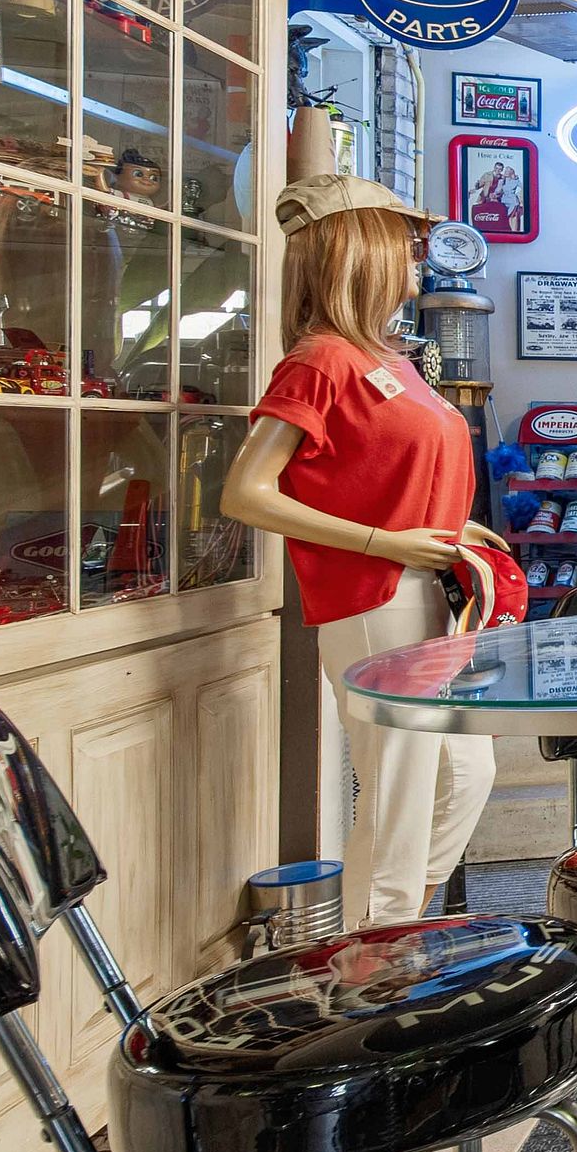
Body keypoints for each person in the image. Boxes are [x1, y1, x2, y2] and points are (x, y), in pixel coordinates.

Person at [220, 173, 501, 928]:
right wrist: (385, 539)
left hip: (429, 590)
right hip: (377, 597)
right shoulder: (320, 361)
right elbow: (247, 493)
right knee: (397, 790)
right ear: (361, 251)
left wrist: (453, 528)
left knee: (464, 775)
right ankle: (376, 956)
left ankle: (390, 928)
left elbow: (383, 473)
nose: (418, 257)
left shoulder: (388, 359)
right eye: (405, 244)